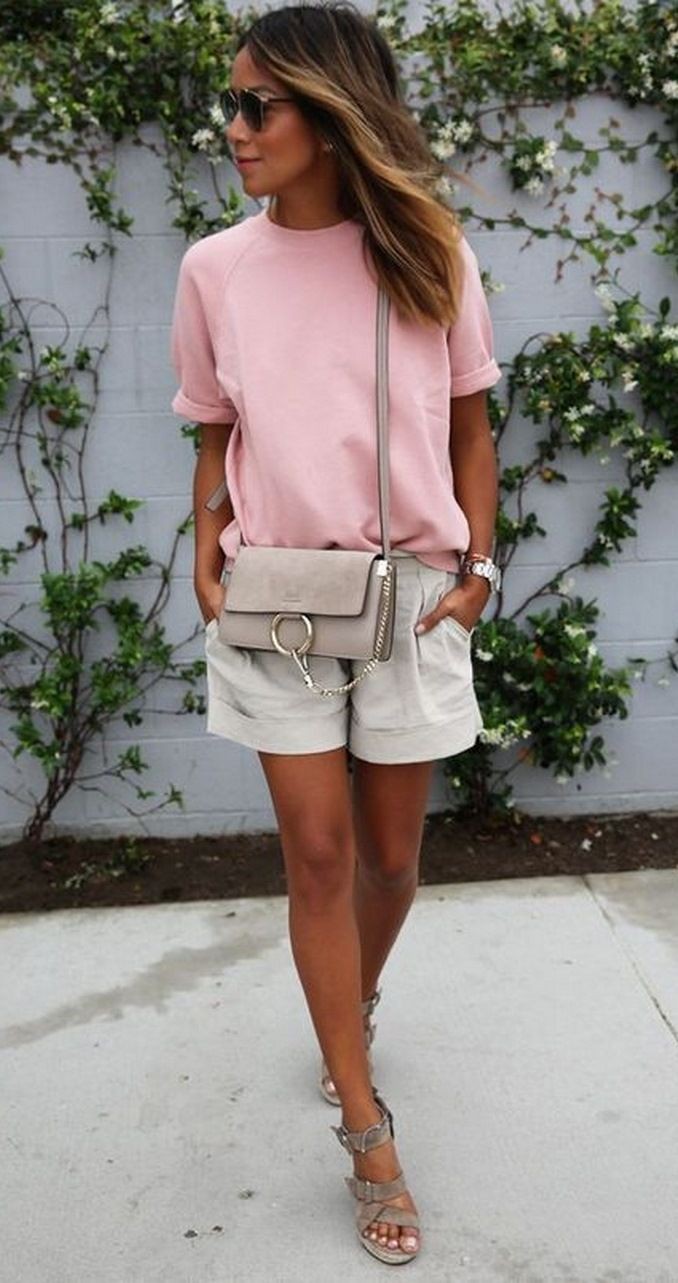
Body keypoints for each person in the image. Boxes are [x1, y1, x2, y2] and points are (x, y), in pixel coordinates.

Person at [170, 1, 502, 1264]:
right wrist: (204, 543)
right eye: (234, 103)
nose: (237, 127)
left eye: (262, 105)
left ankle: (349, 1004)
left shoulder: (428, 251)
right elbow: (214, 427)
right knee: (317, 858)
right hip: (273, 595)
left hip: (414, 591)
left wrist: (477, 566)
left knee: (390, 854)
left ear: (330, 111)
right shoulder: (215, 267)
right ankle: (366, 1125)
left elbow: (472, 427)